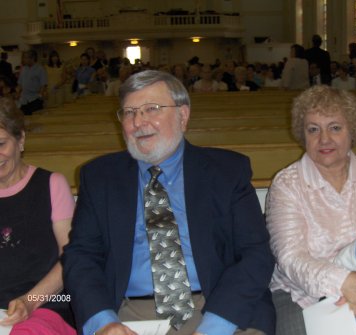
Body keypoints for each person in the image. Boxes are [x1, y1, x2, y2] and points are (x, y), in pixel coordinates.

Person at [62, 70, 275, 335]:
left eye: (152, 109)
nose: (139, 122)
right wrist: (104, 322)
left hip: (221, 307)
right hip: (130, 315)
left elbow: (256, 254)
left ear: (183, 116)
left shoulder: (227, 171)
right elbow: (81, 257)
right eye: (129, 112)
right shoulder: (100, 177)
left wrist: (215, 327)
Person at [265, 85, 356, 335]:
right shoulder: (286, 184)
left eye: (335, 127)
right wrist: (344, 283)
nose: (324, 140)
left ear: (352, 131)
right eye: (313, 129)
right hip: (300, 294)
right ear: (303, 134)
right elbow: (291, 258)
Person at [0, 97, 75, 334]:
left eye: (1, 144)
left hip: (50, 302)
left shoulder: (51, 185)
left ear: (20, 139)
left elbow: (71, 258)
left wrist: (30, 301)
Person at [17, 50, 48, 115]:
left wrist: (40, 95)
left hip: (35, 99)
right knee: (24, 119)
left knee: (36, 119)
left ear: (32, 58)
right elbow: (20, 83)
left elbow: (43, 84)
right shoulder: (23, 69)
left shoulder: (40, 69)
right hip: (24, 99)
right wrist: (18, 93)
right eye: (24, 57)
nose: (24, 59)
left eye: (26, 57)